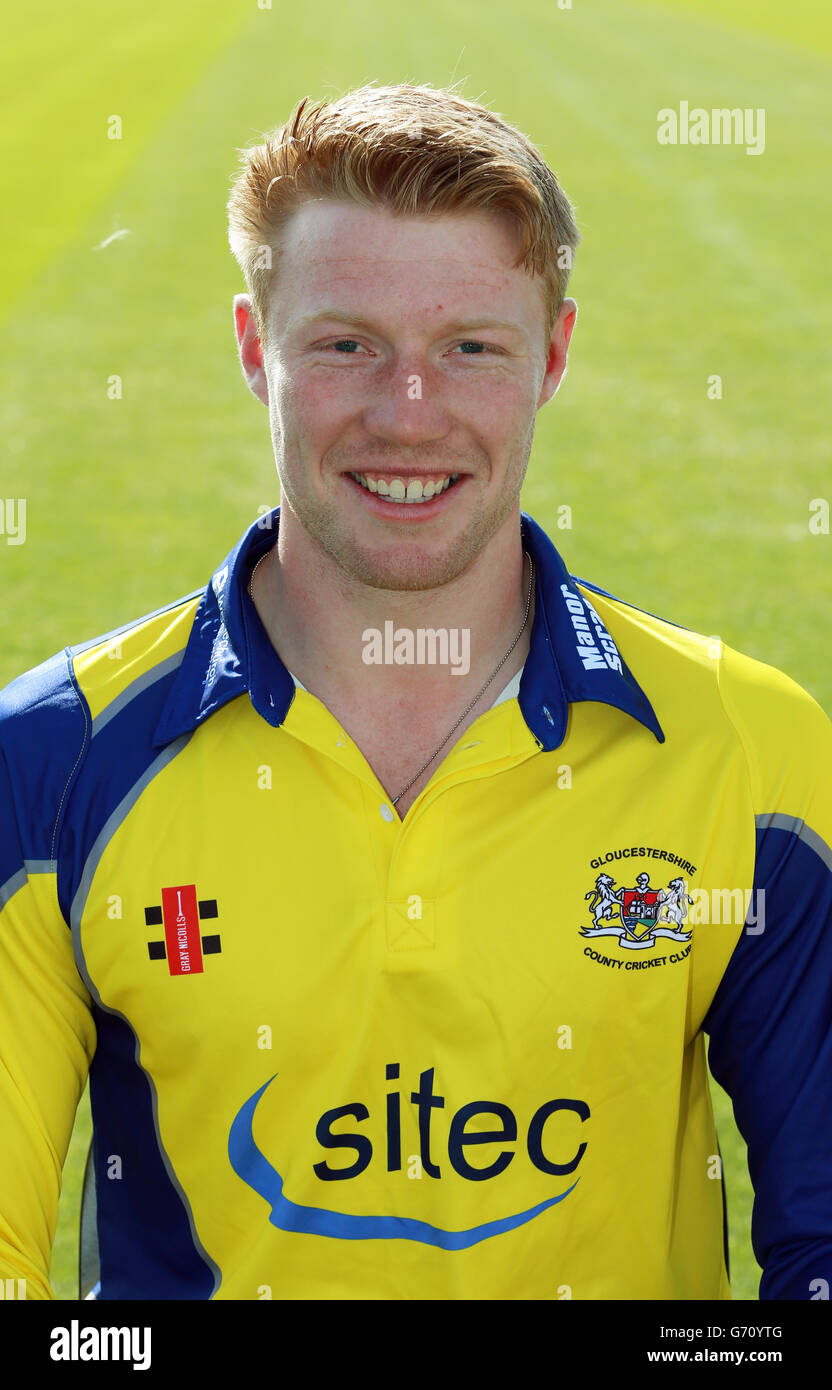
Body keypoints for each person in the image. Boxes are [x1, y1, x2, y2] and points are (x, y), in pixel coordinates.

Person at [1, 81, 830, 1302]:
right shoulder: (51, 760)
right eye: (345, 344)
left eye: (469, 349)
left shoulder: (746, 749)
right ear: (253, 350)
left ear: (550, 355)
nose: (409, 413)